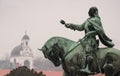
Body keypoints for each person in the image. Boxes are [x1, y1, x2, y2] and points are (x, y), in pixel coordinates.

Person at [60, 7, 114, 72]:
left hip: (92, 41)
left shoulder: (97, 20)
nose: (97, 13)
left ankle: (88, 68)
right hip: (86, 40)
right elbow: (80, 27)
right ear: (95, 12)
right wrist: (71, 25)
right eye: (97, 11)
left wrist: (91, 33)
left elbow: (100, 31)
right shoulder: (88, 20)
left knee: (88, 50)